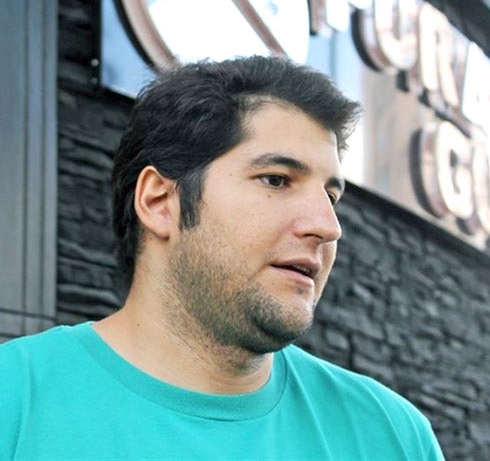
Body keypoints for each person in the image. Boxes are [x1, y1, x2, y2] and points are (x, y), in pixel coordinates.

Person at [0, 56, 444, 460]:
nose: (328, 227)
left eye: (330, 197)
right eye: (276, 180)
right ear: (160, 202)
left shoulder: (392, 436)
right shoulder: (15, 402)